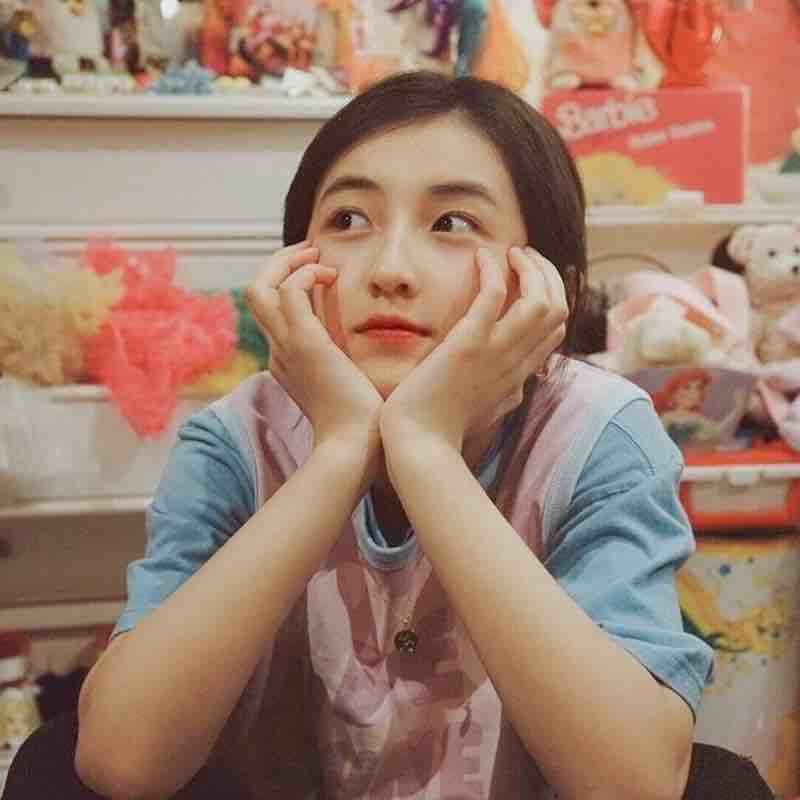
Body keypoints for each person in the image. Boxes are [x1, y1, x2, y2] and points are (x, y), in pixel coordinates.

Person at [73, 70, 713, 799]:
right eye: (348, 220)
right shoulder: (236, 441)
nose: (389, 270)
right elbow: (121, 759)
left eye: (452, 224)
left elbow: (633, 782)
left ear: (549, 286)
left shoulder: (597, 436)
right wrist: (341, 450)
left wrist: (425, 451)